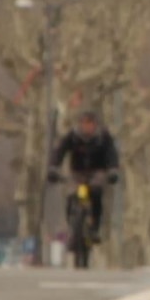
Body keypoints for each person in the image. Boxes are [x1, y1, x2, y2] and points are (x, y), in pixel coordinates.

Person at [49, 108, 124, 270]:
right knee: (71, 196)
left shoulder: (103, 137)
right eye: (84, 124)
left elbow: (112, 155)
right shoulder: (72, 136)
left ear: (95, 125)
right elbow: (59, 151)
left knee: (96, 194)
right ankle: (73, 226)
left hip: (97, 173)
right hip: (77, 173)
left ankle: (94, 227)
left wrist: (112, 171)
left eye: (90, 124)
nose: (87, 127)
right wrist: (54, 168)